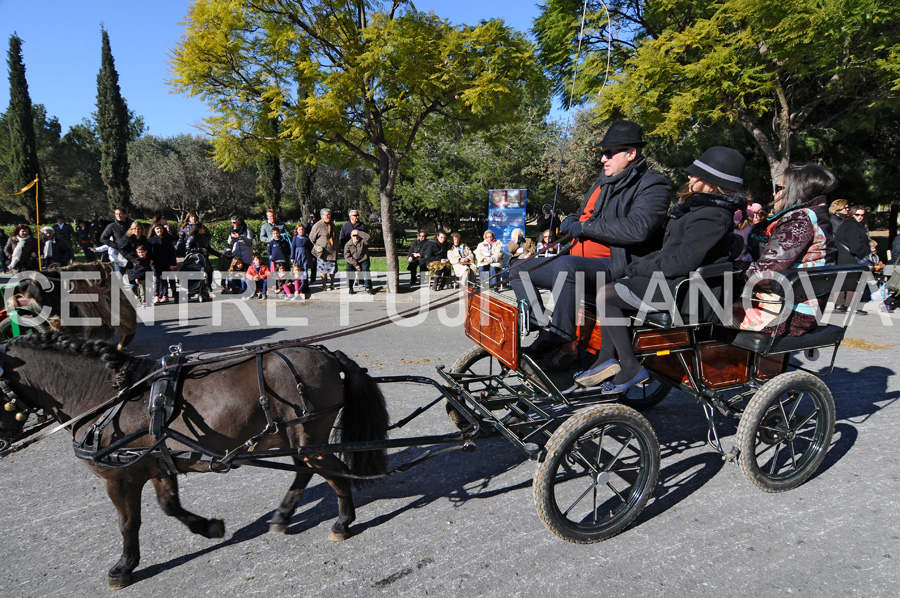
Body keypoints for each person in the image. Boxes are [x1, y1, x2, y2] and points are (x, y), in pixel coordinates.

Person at [574, 146, 748, 390]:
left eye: (696, 175)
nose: (690, 177)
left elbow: (681, 262)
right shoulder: (697, 210)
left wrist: (639, 268)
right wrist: (638, 265)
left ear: (713, 182)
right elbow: (670, 252)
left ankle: (630, 366)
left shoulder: (713, 217)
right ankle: (607, 358)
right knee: (610, 288)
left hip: (693, 294)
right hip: (676, 283)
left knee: (609, 295)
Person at [511, 120, 671, 371]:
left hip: (618, 266)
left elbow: (638, 229)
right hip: (578, 260)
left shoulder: (653, 184)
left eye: (609, 152)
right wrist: (571, 221)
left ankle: (564, 343)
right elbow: (583, 214)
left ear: (631, 153)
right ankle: (544, 329)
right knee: (518, 267)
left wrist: (584, 228)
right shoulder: (602, 181)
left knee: (566, 266)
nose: (603, 158)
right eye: (602, 153)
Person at [738, 163, 838, 333]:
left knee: (703, 309)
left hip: (788, 313)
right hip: (803, 308)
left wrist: (730, 269)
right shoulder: (816, 215)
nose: (774, 193)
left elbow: (763, 275)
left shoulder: (799, 220)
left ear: (795, 190)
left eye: (779, 188)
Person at [834, 205, 871, 314]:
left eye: (862, 215)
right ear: (851, 214)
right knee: (854, 283)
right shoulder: (853, 227)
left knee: (843, 281)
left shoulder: (845, 225)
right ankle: (851, 307)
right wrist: (866, 252)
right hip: (851, 259)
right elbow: (856, 247)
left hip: (842, 258)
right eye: (857, 214)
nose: (860, 217)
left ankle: (839, 305)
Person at [148, 223, 178, 303]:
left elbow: (172, 252)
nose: (159, 230)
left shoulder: (167, 239)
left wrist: (172, 263)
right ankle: (156, 295)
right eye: (157, 229)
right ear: (154, 230)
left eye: (160, 228)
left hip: (166, 262)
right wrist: (150, 261)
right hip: (156, 263)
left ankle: (165, 295)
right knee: (156, 280)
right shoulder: (151, 240)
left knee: (164, 279)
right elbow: (149, 252)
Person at [309, 207, 338, 290]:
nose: (329, 216)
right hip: (322, 252)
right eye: (327, 215)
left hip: (332, 251)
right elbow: (311, 238)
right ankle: (324, 285)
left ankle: (332, 284)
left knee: (332, 269)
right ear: (322, 216)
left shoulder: (332, 225)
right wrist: (318, 246)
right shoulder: (317, 225)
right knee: (323, 269)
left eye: (330, 214)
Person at [99, 207, 133, 277]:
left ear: (125, 214)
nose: (118, 216)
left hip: (132, 252)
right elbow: (103, 238)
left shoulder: (132, 225)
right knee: (120, 275)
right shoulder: (112, 226)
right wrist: (116, 245)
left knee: (134, 274)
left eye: (120, 214)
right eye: (116, 214)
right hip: (119, 253)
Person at [343, 229, 375, 294]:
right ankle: (350, 288)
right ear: (351, 236)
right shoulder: (348, 244)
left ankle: (369, 287)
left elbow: (368, 237)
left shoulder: (363, 241)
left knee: (365, 270)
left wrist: (359, 232)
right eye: (354, 235)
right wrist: (356, 265)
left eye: (357, 235)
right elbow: (347, 256)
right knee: (349, 270)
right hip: (353, 261)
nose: (355, 237)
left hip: (363, 260)